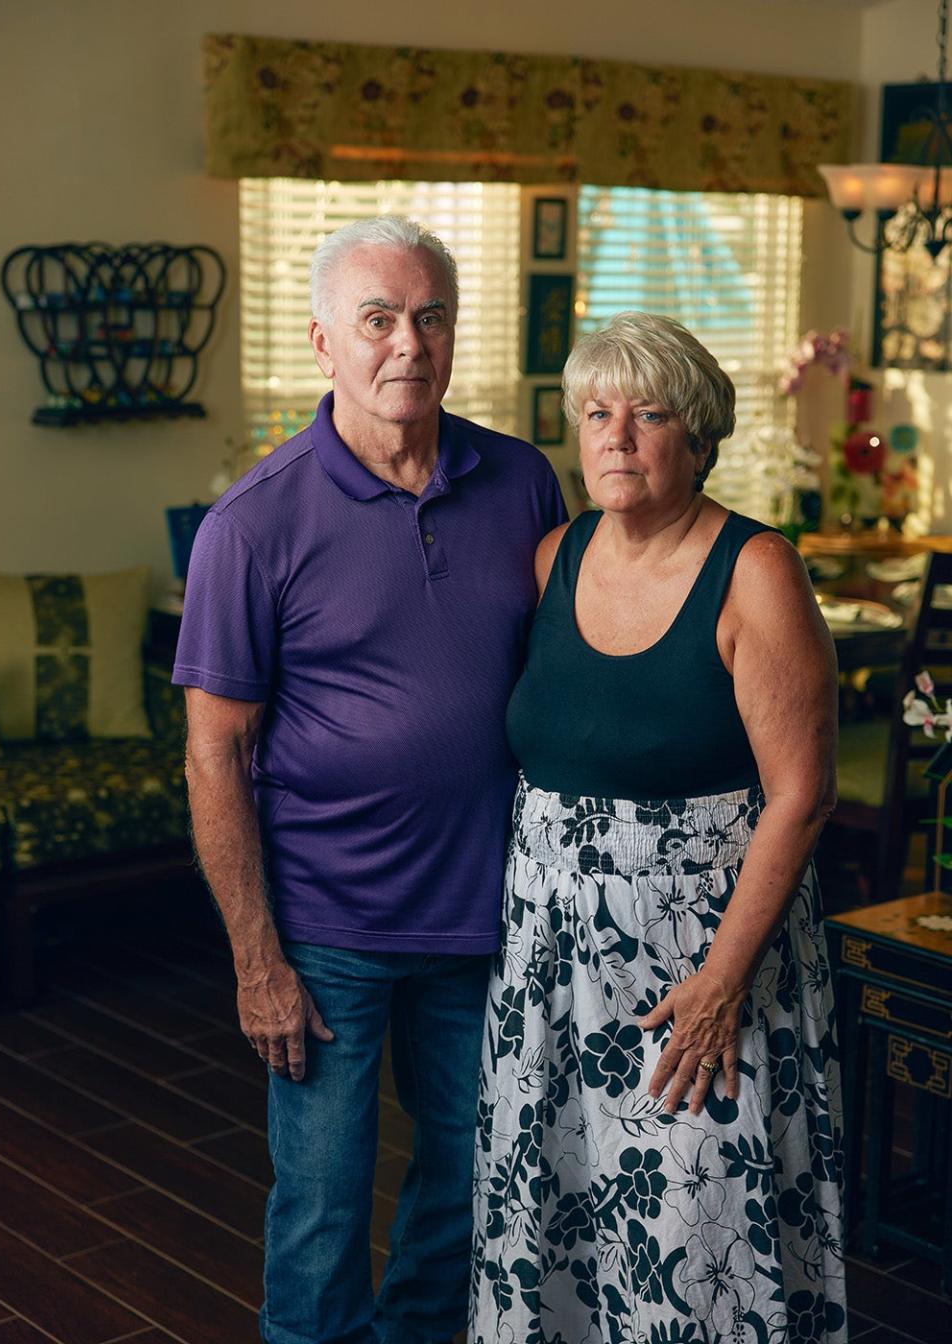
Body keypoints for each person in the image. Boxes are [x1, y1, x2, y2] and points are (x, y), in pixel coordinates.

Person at [172, 215, 566, 1344]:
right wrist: (258, 961)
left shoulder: (523, 481)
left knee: (477, 1178)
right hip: (325, 933)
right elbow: (215, 755)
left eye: (430, 317)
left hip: (485, 917)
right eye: (378, 320)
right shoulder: (252, 525)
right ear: (322, 342)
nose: (408, 344)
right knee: (322, 1210)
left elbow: (572, 663)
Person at [469, 311, 847, 1343]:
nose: (618, 437)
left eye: (649, 415)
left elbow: (802, 794)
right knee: (553, 1220)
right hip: (551, 966)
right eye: (597, 413)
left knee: (694, 1237)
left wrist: (721, 987)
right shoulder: (556, 554)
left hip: (699, 966)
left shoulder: (757, 569)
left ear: (699, 434)